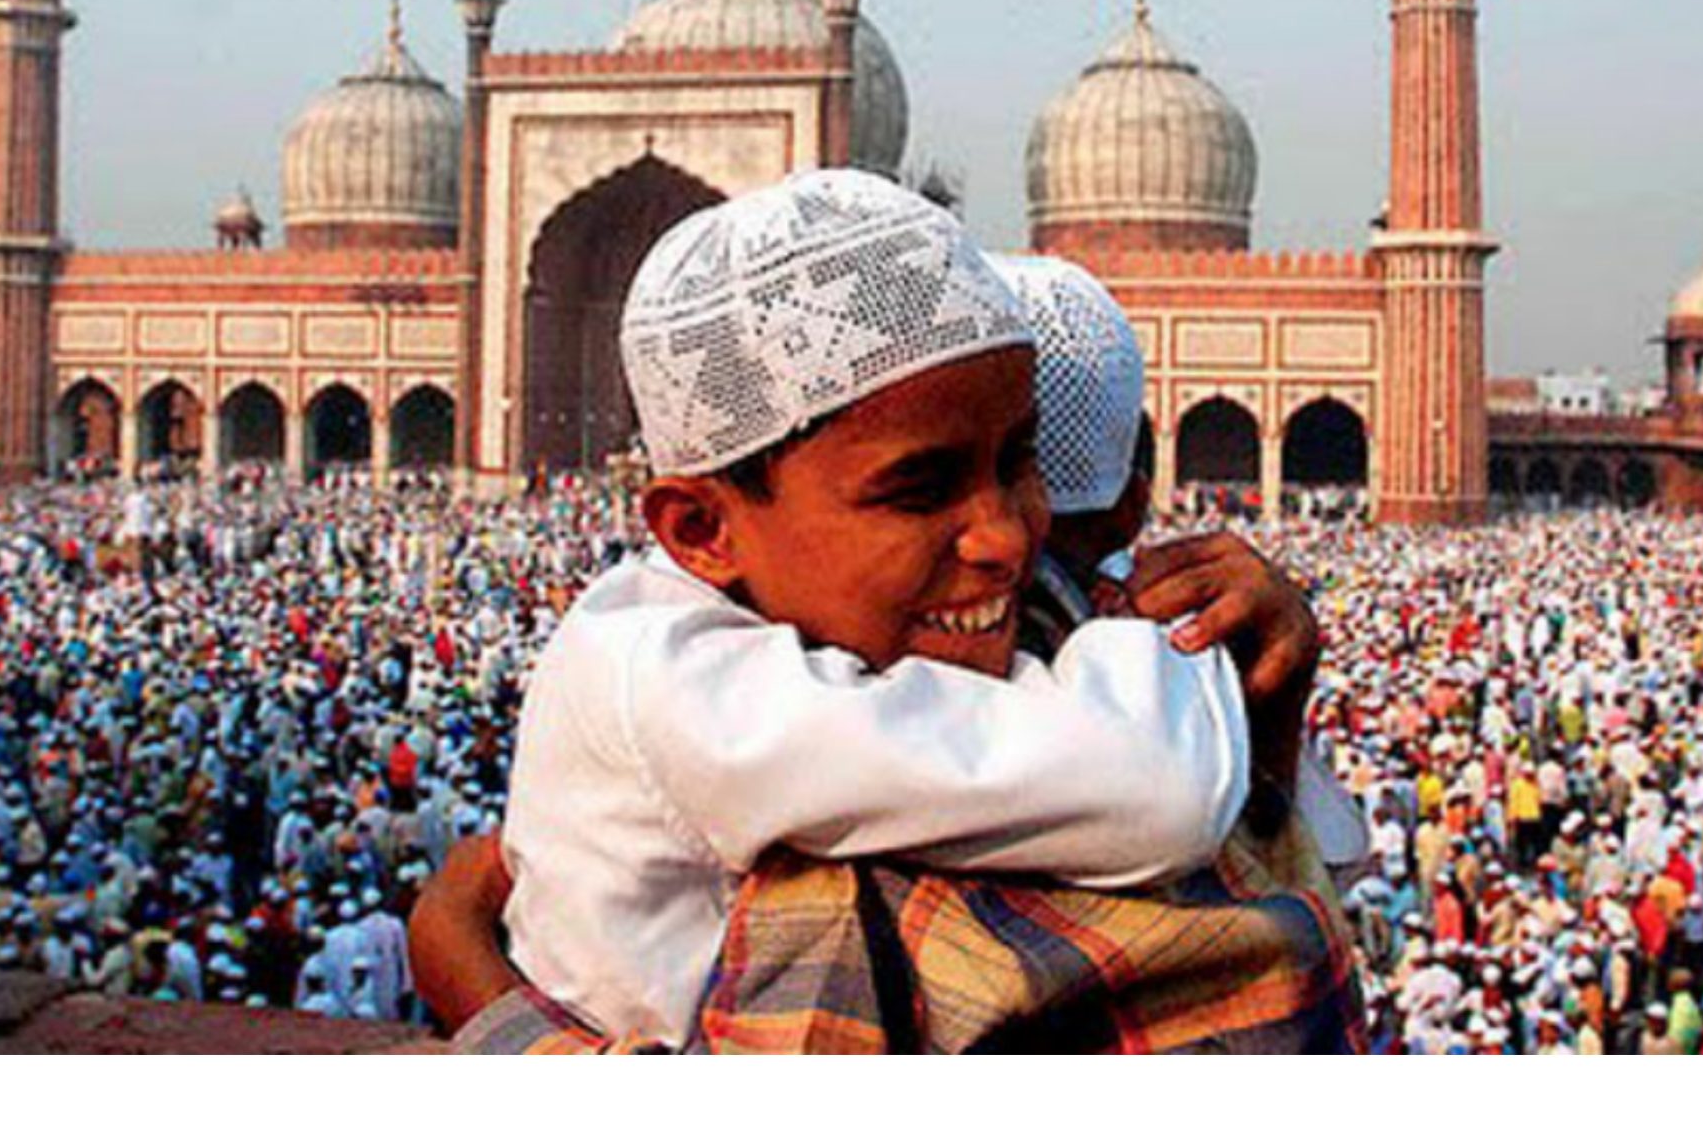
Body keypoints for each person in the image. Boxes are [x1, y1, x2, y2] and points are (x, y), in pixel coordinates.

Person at [495, 170, 1311, 1048]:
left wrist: (1273, 700)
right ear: (701, 528)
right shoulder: (668, 673)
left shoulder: (794, 631)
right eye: (918, 490)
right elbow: (1160, 790)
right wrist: (1162, 635)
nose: (1004, 536)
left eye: (1018, 460)